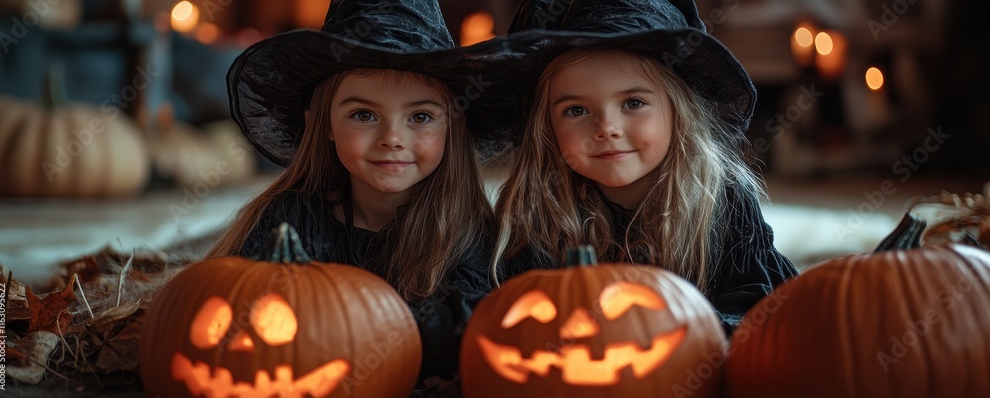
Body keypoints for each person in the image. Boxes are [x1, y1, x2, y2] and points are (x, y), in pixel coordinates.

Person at [208, 0, 505, 392]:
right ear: (323, 123)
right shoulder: (290, 220)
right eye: (363, 115)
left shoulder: (468, 237)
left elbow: (469, 350)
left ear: (454, 127)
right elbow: (235, 318)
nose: (391, 140)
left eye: (420, 117)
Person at [490, 0, 799, 335]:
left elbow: (753, 310)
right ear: (546, 127)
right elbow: (520, 316)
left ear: (678, 112)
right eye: (576, 110)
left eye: (633, 103)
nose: (607, 127)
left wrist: (673, 340)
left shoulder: (720, 196)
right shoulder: (536, 206)